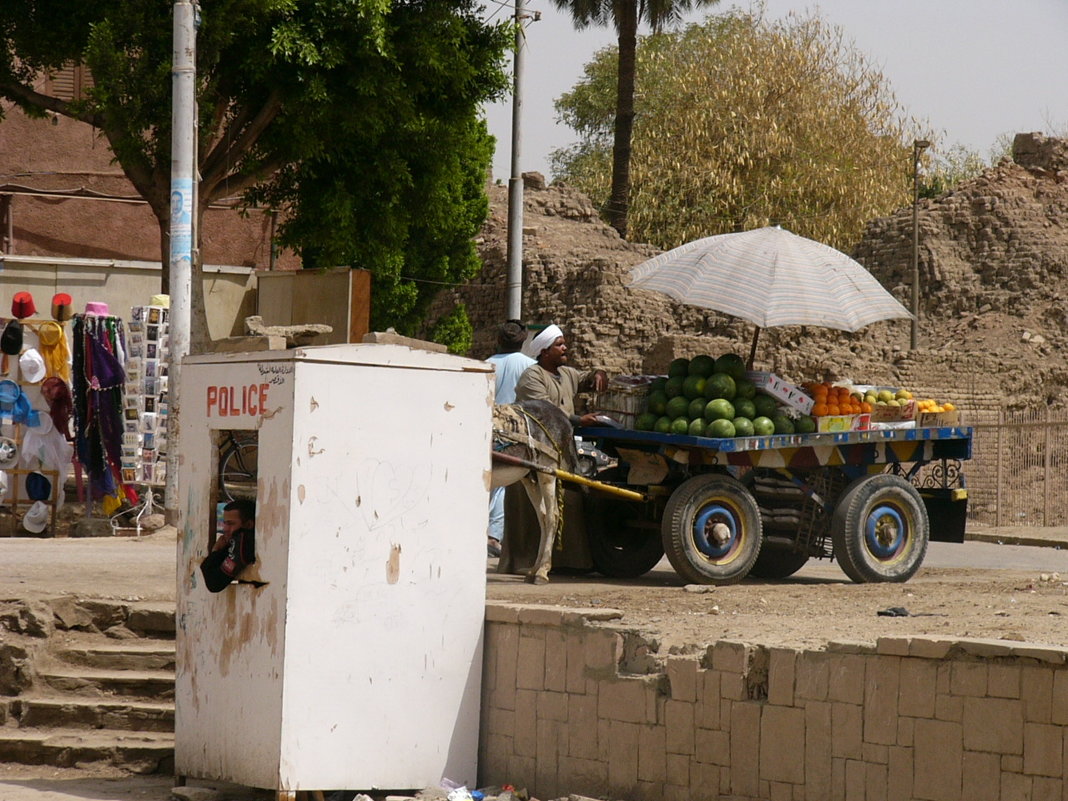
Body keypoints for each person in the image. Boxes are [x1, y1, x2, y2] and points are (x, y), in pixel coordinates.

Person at [499, 323, 608, 576]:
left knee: (568, 500)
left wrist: (598, 374)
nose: (565, 348)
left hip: (558, 450)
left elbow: (585, 378)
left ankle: (567, 562)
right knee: (530, 509)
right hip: (530, 452)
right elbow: (546, 411)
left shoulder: (567, 374)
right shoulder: (532, 377)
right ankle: (523, 561)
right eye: (559, 345)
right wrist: (580, 420)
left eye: (564, 343)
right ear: (545, 351)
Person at [485, 320, 535, 558]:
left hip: (487, 428)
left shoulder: (485, 365)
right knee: (506, 484)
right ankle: (494, 536)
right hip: (516, 430)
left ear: (498, 340)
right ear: (523, 341)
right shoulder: (531, 367)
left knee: (487, 482)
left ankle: (484, 533)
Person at [200, 499, 256, 592]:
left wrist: (215, 552)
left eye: (231, 524)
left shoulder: (245, 540)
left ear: (249, 524)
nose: (225, 528)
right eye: (225, 523)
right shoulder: (235, 538)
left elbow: (214, 583)